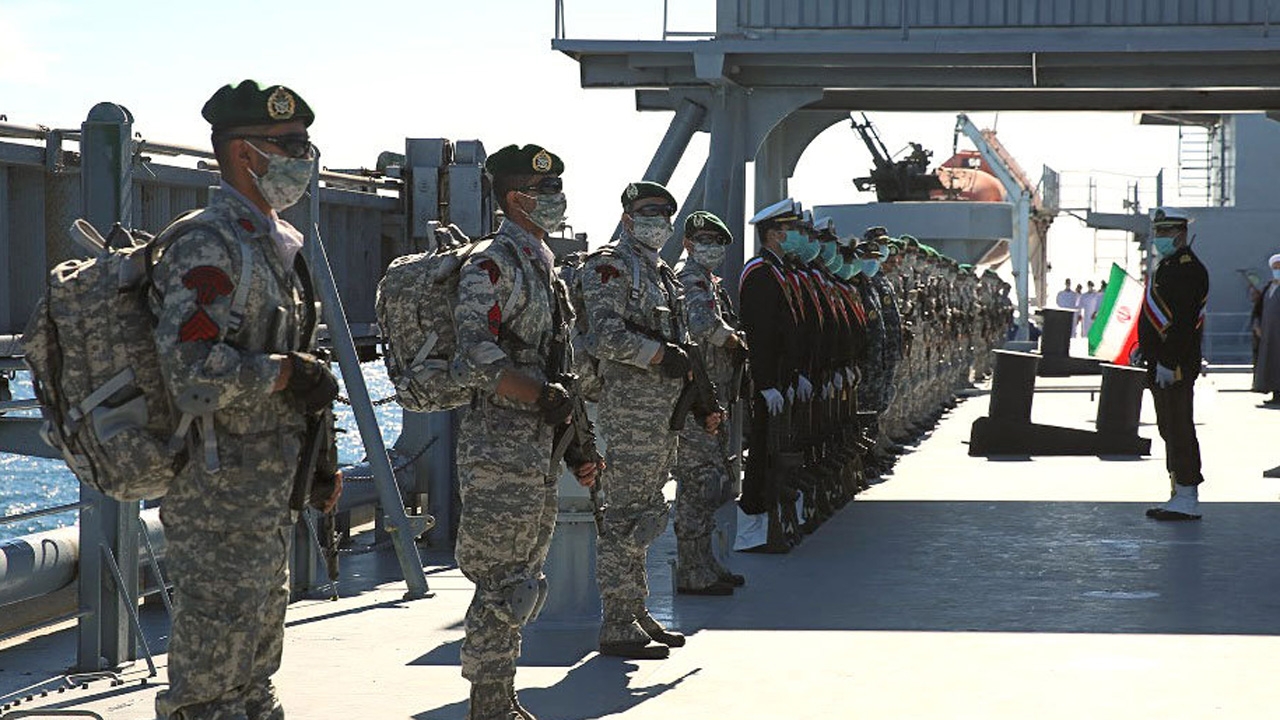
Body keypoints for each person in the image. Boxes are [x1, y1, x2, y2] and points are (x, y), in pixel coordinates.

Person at [152, 80, 341, 720]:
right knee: (209, 677)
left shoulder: (272, 241)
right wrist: (286, 373)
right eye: (289, 144)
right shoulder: (209, 244)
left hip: (267, 487)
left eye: (306, 143)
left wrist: (319, 462)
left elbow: (301, 367)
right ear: (244, 155)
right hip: (216, 492)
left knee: (256, 658)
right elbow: (191, 371)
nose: (304, 157)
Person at [450, 143, 602, 720]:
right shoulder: (492, 263)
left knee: (523, 580)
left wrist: (576, 449)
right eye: (547, 192)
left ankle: (500, 696)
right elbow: (476, 354)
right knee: (502, 582)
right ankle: (488, 703)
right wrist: (541, 396)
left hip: (539, 446)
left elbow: (559, 367)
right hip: (500, 448)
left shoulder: (543, 264)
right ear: (516, 198)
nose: (558, 201)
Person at [581, 181, 720, 659]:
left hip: (661, 413)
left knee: (645, 514)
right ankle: (617, 622)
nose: (655, 220)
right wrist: (659, 355)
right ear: (626, 217)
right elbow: (603, 335)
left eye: (663, 213)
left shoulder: (663, 274)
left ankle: (636, 610)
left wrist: (700, 396)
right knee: (622, 516)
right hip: (630, 410)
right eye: (645, 212)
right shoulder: (610, 266)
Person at [672, 210, 746, 595]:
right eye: (705, 241)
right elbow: (702, 327)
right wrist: (732, 339)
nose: (712, 248)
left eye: (718, 243)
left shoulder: (708, 282)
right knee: (698, 482)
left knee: (712, 482)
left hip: (714, 393)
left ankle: (704, 562)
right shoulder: (691, 281)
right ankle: (691, 570)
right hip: (697, 399)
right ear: (688, 244)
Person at [737, 198, 805, 553]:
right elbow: (760, 333)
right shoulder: (761, 272)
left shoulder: (778, 270)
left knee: (774, 453)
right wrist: (765, 384)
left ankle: (767, 528)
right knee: (762, 456)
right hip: (769, 380)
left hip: (781, 378)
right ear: (774, 234)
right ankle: (751, 533)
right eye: (789, 230)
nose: (793, 236)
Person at [1139, 207, 1209, 521]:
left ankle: (1188, 493)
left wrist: (1167, 360)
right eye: (1158, 232)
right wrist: (1146, 350)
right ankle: (1177, 491)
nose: (1160, 238)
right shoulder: (1168, 266)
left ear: (1180, 234)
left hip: (1176, 362)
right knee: (1169, 425)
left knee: (1179, 425)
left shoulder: (1187, 268)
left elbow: (1182, 321)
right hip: (1162, 360)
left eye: (1166, 233)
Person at [1251, 252, 1280, 406]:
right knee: (1270, 364)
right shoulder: (1268, 287)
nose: (1277, 270)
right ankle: (1275, 393)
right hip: (1268, 335)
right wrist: (1256, 325)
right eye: (1275, 267)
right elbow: (1258, 310)